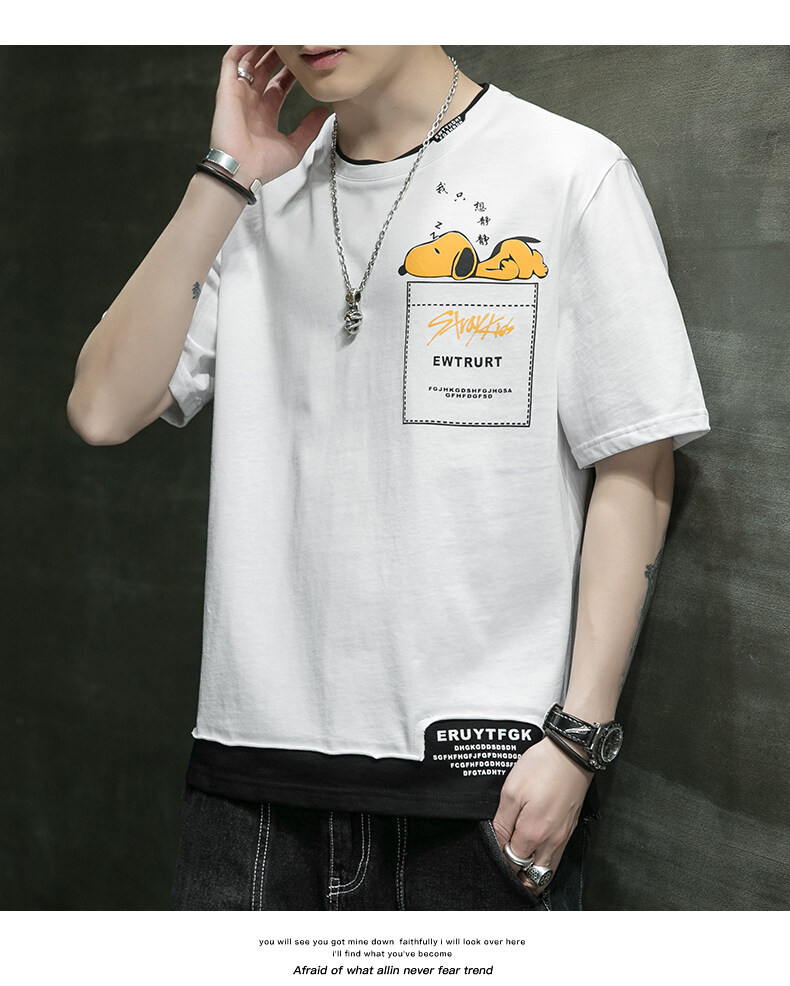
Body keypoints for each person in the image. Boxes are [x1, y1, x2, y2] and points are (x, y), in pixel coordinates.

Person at [67, 45, 710, 911]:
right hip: (250, 794)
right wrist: (225, 175)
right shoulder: (254, 200)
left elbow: (634, 462)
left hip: (483, 795)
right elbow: (103, 409)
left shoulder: (568, 172)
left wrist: (579, 738)